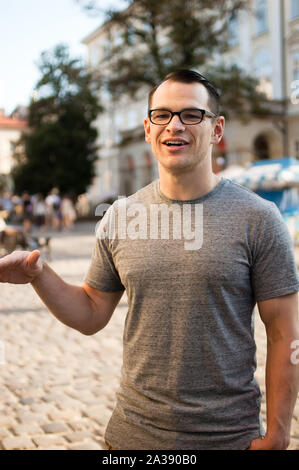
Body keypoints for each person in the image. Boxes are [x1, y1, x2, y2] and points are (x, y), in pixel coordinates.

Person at [0, 69, 298, 450]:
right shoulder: (120, 216)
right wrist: (39, 274)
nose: (175, 125)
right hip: (131, 438)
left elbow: (285, 333)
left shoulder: (258, 218)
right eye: (163, 114)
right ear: (147, 128)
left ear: (217, 129)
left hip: (227, 437)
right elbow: (91, 312)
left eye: (191, 114)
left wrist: (277, 435)